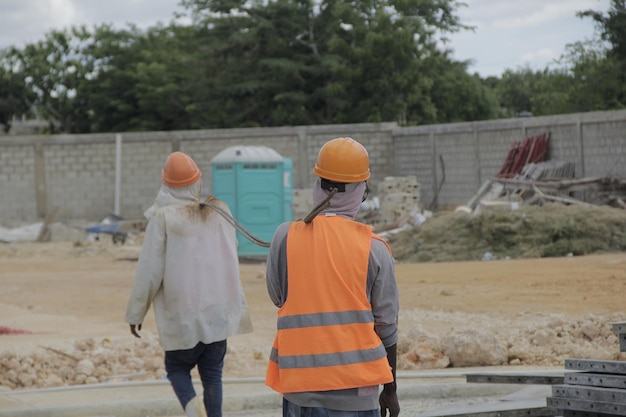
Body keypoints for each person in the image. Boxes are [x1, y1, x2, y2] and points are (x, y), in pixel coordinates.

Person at [265, 137, 400, 417]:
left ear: (318, 185)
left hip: (300, 391)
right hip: (357, 395)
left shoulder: (284, 237)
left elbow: (279, 297)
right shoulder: (374, 249)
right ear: (361, 192)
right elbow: (387, 327)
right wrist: (390, 391)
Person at [125, 151, 252, 417]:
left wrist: (136, 313)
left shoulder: (163, 218)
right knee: (213, 375)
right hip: (218, 313)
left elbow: (149, 271)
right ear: (197, 181)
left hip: (183, 315)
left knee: (177, 369)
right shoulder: (221, 211)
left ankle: (191, 408)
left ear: (166, 184)